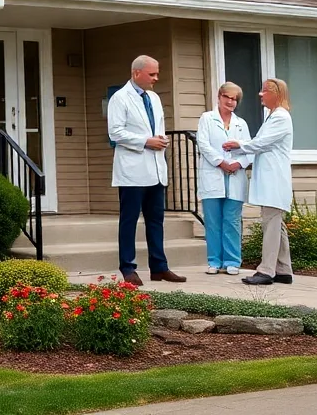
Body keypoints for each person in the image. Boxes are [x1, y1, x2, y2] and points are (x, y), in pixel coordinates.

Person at [107, 55, 187, 286]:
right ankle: (128, 268)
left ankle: (159, 267)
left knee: (156, 220)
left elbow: (157, 128)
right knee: (129, 220)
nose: (156, 78)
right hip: (132, 171)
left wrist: (159, 141)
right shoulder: (120, 98)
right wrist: (145, 141)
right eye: (152, 74)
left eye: (156, 73)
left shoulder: (153, 97)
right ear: (136, 73)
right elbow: (115, 133)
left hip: (155, 168)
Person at [224, 78, 294, 286]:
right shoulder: (273, 116)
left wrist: (238, 145)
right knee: (275, 223)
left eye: (265, 91)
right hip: (269, 178)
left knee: (270, 224)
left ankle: (266, 271)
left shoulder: (281, 117)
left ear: (276, 94)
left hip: (274, 179)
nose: (260, 94)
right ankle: (283, 269)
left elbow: (262, 143)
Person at [196, 82, 251, 275]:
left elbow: (249, 149)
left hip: (235, 177)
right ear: (219, 97)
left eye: (234, 99)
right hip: (213, 176)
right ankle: (214, 261)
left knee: (232, 221)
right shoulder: (207, 119)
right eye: (227, 97)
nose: (230, 101)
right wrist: (221, 162)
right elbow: (203, 144)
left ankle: (232, 261)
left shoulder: (241, 124)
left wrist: (238, 164)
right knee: (212, 221)